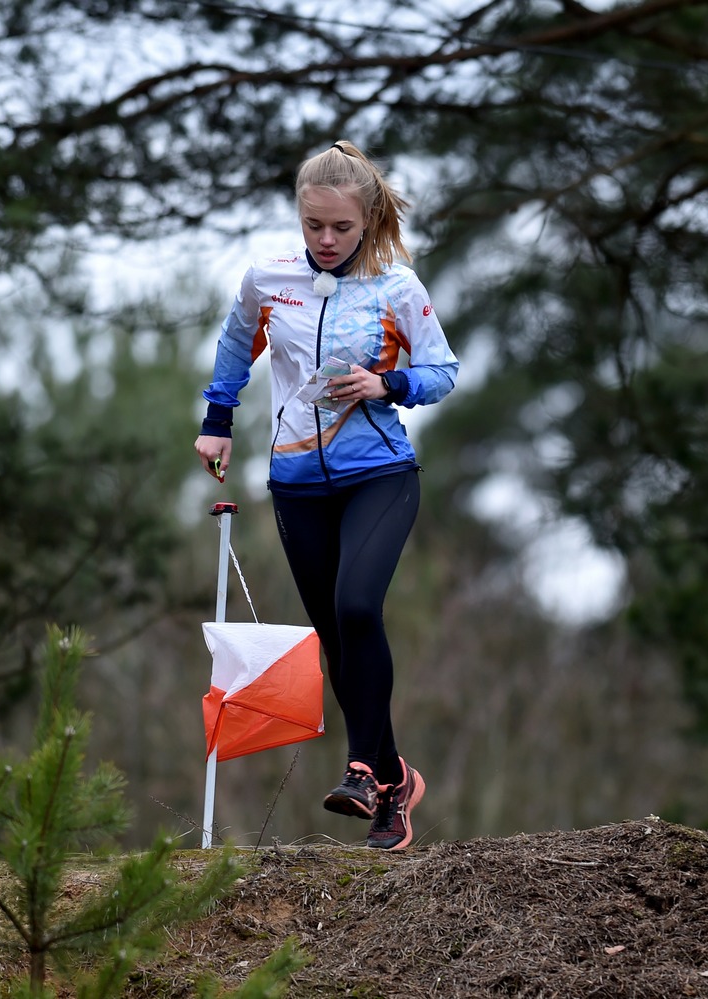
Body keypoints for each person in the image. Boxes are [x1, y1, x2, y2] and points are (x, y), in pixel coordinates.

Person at [192, 140, 459, 851]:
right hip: (297, 483)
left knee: (356, 605)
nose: (327, 240)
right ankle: (394, 783)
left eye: (341, 227)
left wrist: (388, 383)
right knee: (337, 641)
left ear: (367, 218)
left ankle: (363, 766)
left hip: (380, 473)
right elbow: (233, 344)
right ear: (300, 217)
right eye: (315, 226)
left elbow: (443, 371)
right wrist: (217, 423)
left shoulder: (396, 285)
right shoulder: (267, 279)